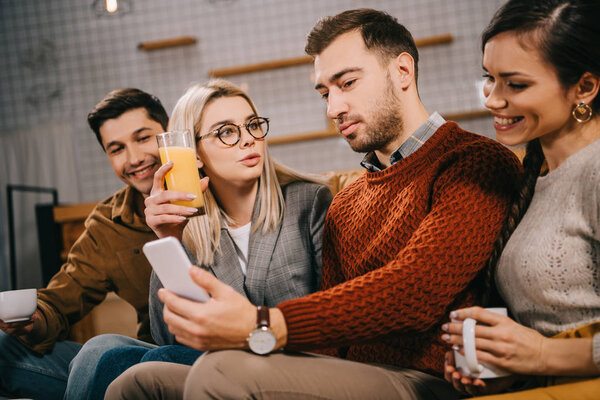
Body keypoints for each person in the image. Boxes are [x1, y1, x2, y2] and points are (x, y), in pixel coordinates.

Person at [106, 9, 522, 400]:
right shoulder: (349, 202)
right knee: (138, 382)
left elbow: (414, 290)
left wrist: (260, 325)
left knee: (219, 373)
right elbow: (331, 333)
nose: (333, 108)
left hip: (428, 380)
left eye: (347, 83)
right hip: (349, 372)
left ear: (402, 71)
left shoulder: (472, 162)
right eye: (324, 91)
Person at [69, 79, 332, 400]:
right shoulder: (191, 226)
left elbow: (332, 319)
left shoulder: (309, 202)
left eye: (252, 125)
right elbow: (169, 336)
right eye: (226, 132)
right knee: (102, 350)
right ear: (191, 152)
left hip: (293, 365)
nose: (248, 140)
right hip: (219, 364)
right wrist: (169, 240)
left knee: (155, 363)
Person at [441, 0, 600, 398]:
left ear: (584, 87)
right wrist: (502, 363)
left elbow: (548, 348)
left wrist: (543, 354)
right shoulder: (534, 176)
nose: (492, 100)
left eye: (515, 84)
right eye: (489, 79)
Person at [0, 88, 168, 399]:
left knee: (101, 349)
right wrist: (32, 321)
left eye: (143, 138)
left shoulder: (214, 190)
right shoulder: (107, 223)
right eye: (116, 149)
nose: (134, 159)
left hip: (204, 356)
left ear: (168, 135)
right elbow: (61, 298)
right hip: (146, 356)